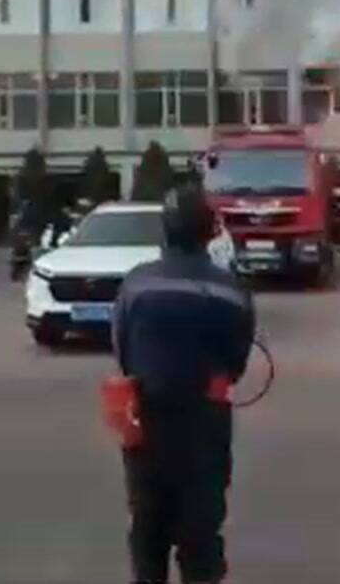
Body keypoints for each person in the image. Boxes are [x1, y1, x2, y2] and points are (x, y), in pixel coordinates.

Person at [113, 182, 255, 584]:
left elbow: (122, 351)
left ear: (165, 230)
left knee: (147, 527)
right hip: (204, 426)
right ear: (210, 232)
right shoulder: (231, 290)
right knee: (200, 534)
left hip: (145, 420)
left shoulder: (136, 284)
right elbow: (235, 363)